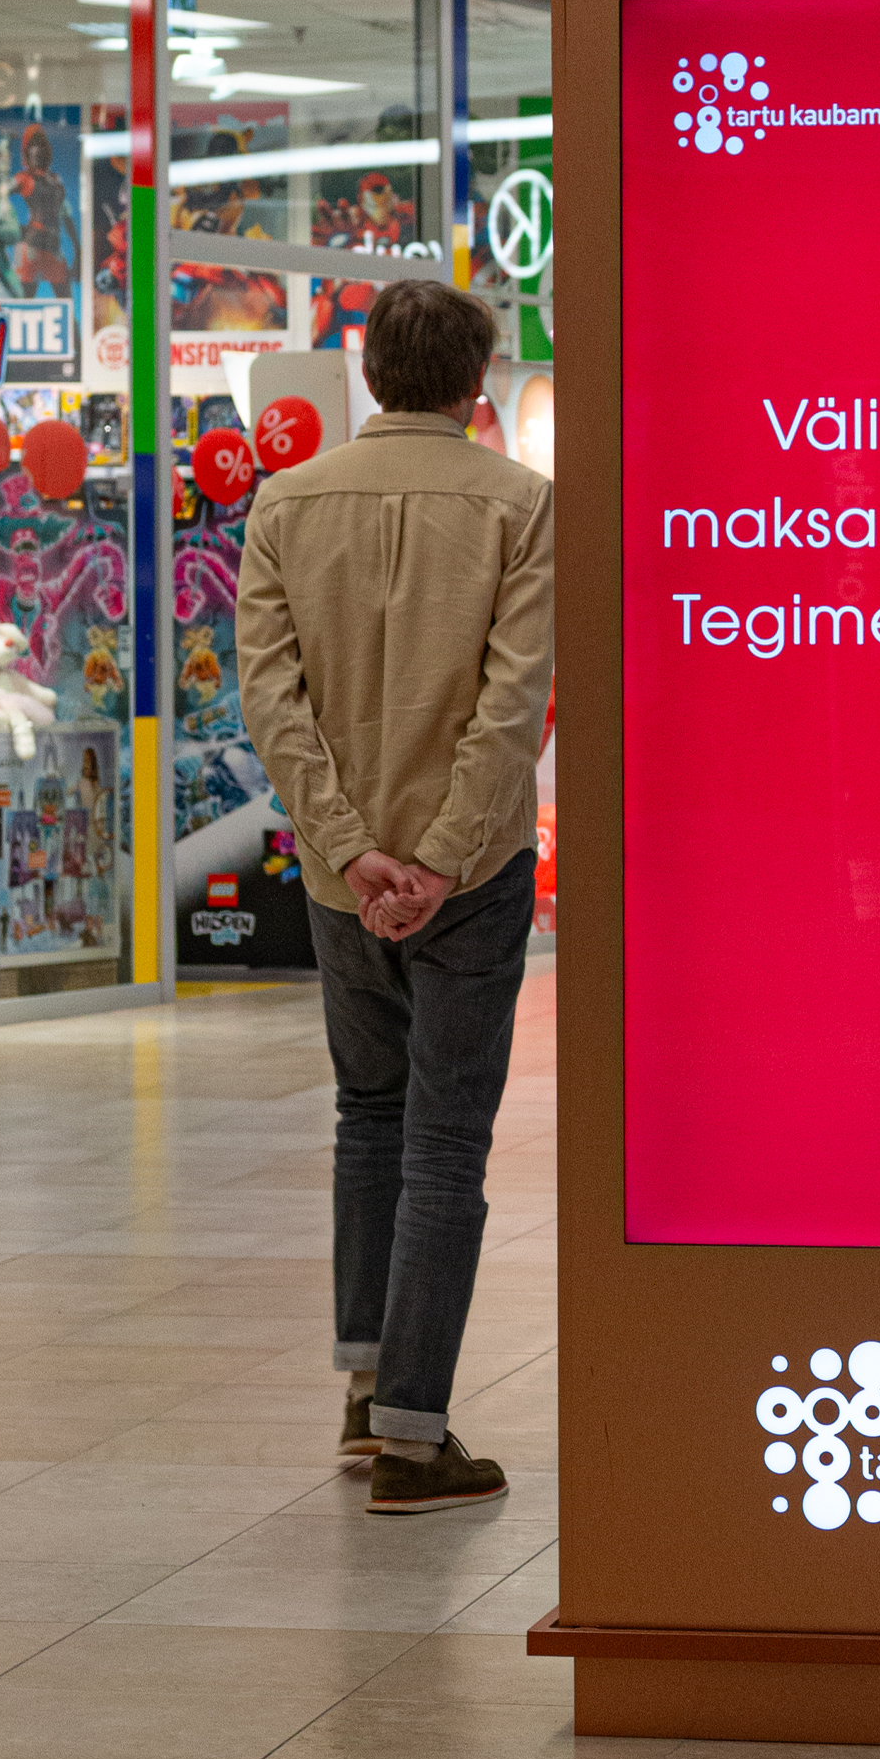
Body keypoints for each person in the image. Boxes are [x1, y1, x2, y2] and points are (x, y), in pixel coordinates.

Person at [238, 283, 551, 1513]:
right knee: (445, 1137)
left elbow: (271, 700)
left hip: (340, 880)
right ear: (476, 383)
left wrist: (351, 847)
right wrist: (443, 856)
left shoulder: (285, 502)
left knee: (368, 1113)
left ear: (368, 374)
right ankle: (418, 1435)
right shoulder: (519, 504)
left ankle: (369, 1392)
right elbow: (512, 703)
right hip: (471, 877)